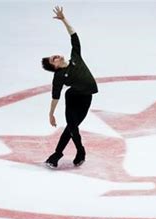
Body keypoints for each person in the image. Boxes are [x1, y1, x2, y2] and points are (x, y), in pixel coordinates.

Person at [41, 6, 98, 168]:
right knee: (72, 126)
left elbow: (73, 35)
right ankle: (60, 154)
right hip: (72, 97)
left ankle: (78, 151)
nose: (57, 56)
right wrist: (51, 114)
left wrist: (64, 20)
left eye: (55, 56)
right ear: (55, 67)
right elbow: (55, 96)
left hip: (85, 97)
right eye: (54, 59)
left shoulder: (75, 56)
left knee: (71, 127)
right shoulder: (58, 76)